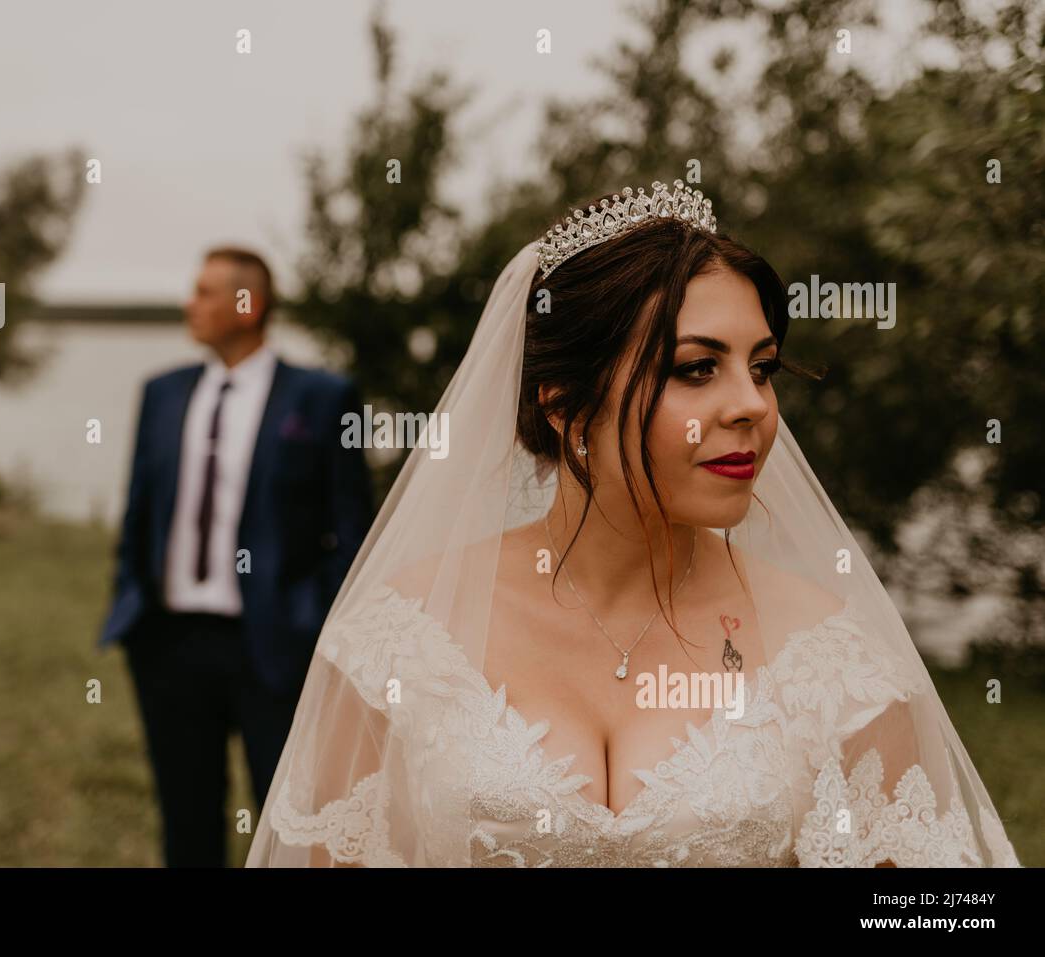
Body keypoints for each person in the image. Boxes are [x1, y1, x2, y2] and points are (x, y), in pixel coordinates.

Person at [245, 182, 1021, 867]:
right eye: (695, 368)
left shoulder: (837, 660)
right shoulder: (403, 636)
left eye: (761, 366)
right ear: (563, 403)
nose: (751, 404)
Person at [98, 245, 373, 867]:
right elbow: (139, 512)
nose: (188, 305)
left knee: (287, 825)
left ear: (247, 306)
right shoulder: (163, 393)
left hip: (272, 645)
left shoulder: (321, 399)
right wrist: (131, 600)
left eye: (205, 292)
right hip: (168, 643)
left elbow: (351, 531)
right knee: (186, 819)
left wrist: (315, 622)